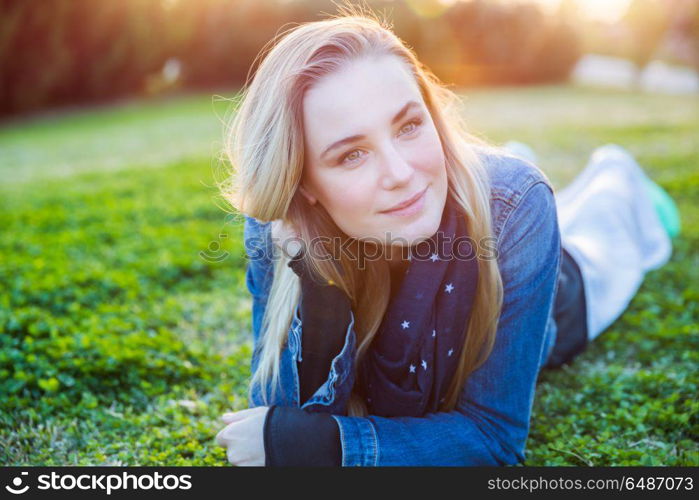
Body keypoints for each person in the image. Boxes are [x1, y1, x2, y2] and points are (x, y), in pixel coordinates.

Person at [214, 9, 677, 467]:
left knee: (610, 197)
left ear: (433, 117)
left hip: (561, 292)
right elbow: (282, 401)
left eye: (409, 125)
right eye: (352, 155)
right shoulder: (280, 224)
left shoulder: (517, 205)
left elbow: (493, 438)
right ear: (303, 186)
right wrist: (313, 273)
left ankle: (613, 169)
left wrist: (322, 448)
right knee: (486, 182)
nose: (399, 173)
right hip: (457, 201)